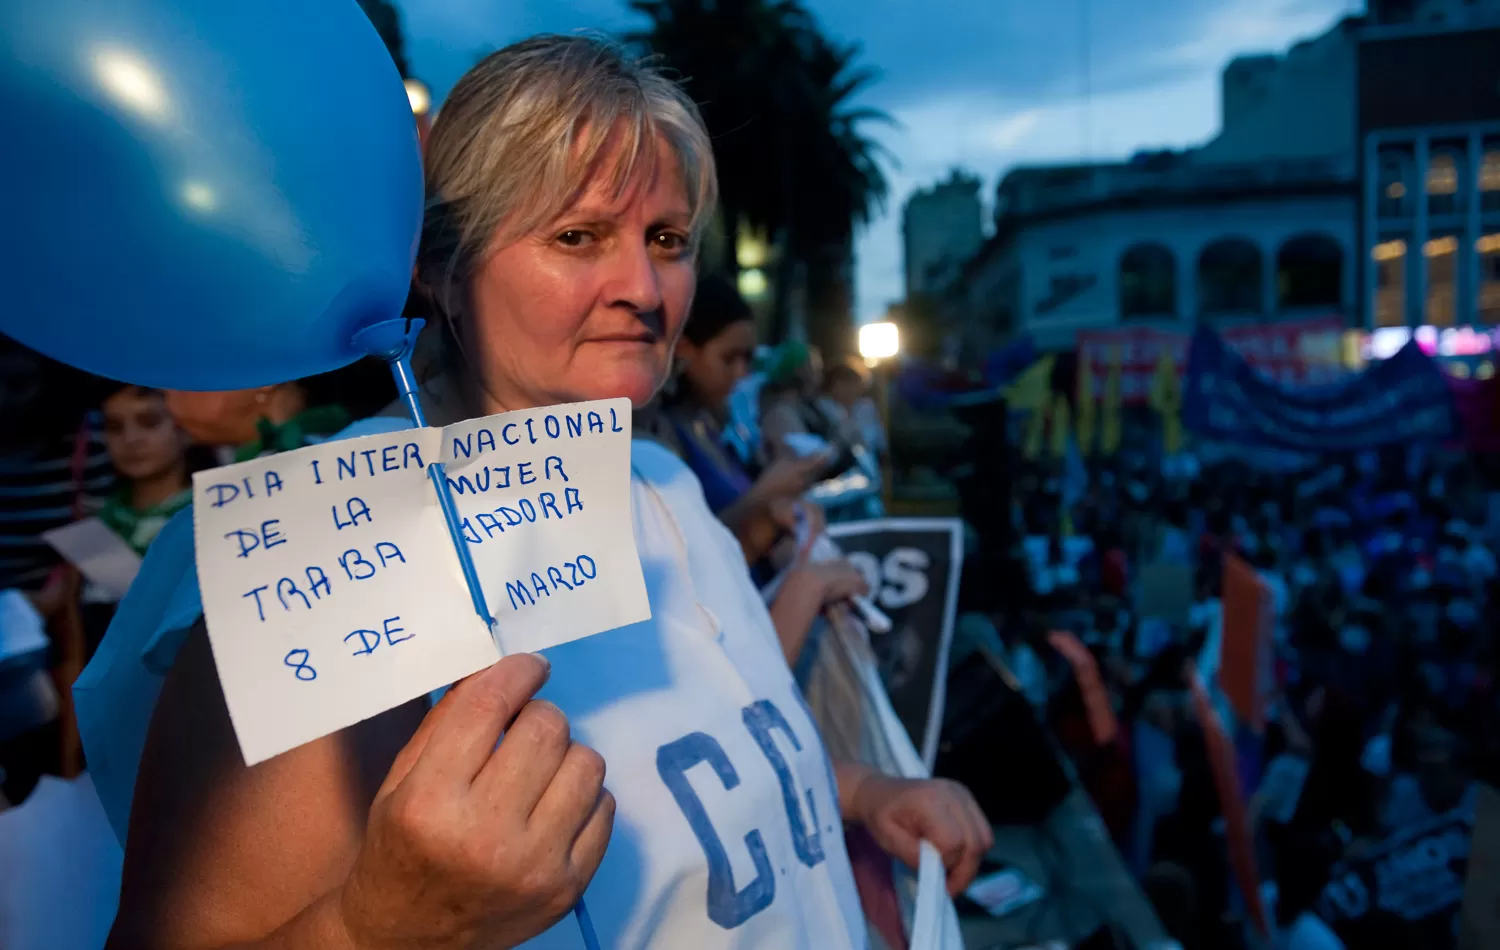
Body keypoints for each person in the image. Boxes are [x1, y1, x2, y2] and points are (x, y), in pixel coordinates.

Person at [85, 36, 989, 950]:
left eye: (667, 240)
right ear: (440, 271)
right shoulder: (330, 545)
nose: (642, 289)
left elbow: (712, 759)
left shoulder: (664, 483)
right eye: (577, 236)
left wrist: (867, 794)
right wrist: (374, 927)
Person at [97, 386, 193, 556]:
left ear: (186, 428)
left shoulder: (208, 513)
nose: (131, 439)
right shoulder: (101, 519)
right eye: (114, 427)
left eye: (150, 422)